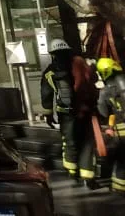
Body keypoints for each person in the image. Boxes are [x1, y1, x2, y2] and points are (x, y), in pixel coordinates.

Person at [41, 38, 99, 187]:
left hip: (65, 113)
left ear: (52, 54)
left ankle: (72, 172)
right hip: (85, 110)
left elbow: (46, 95)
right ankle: (87, 176)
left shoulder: (49, 71)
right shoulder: (79, 62)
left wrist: (48, 114)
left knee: (69, 141)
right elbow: (91, 80)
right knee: (87, 142)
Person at [97, 57, 125, 196]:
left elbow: (103, 111)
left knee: (122, 160)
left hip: (120, 131)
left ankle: (118, 186)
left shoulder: (104, 91)